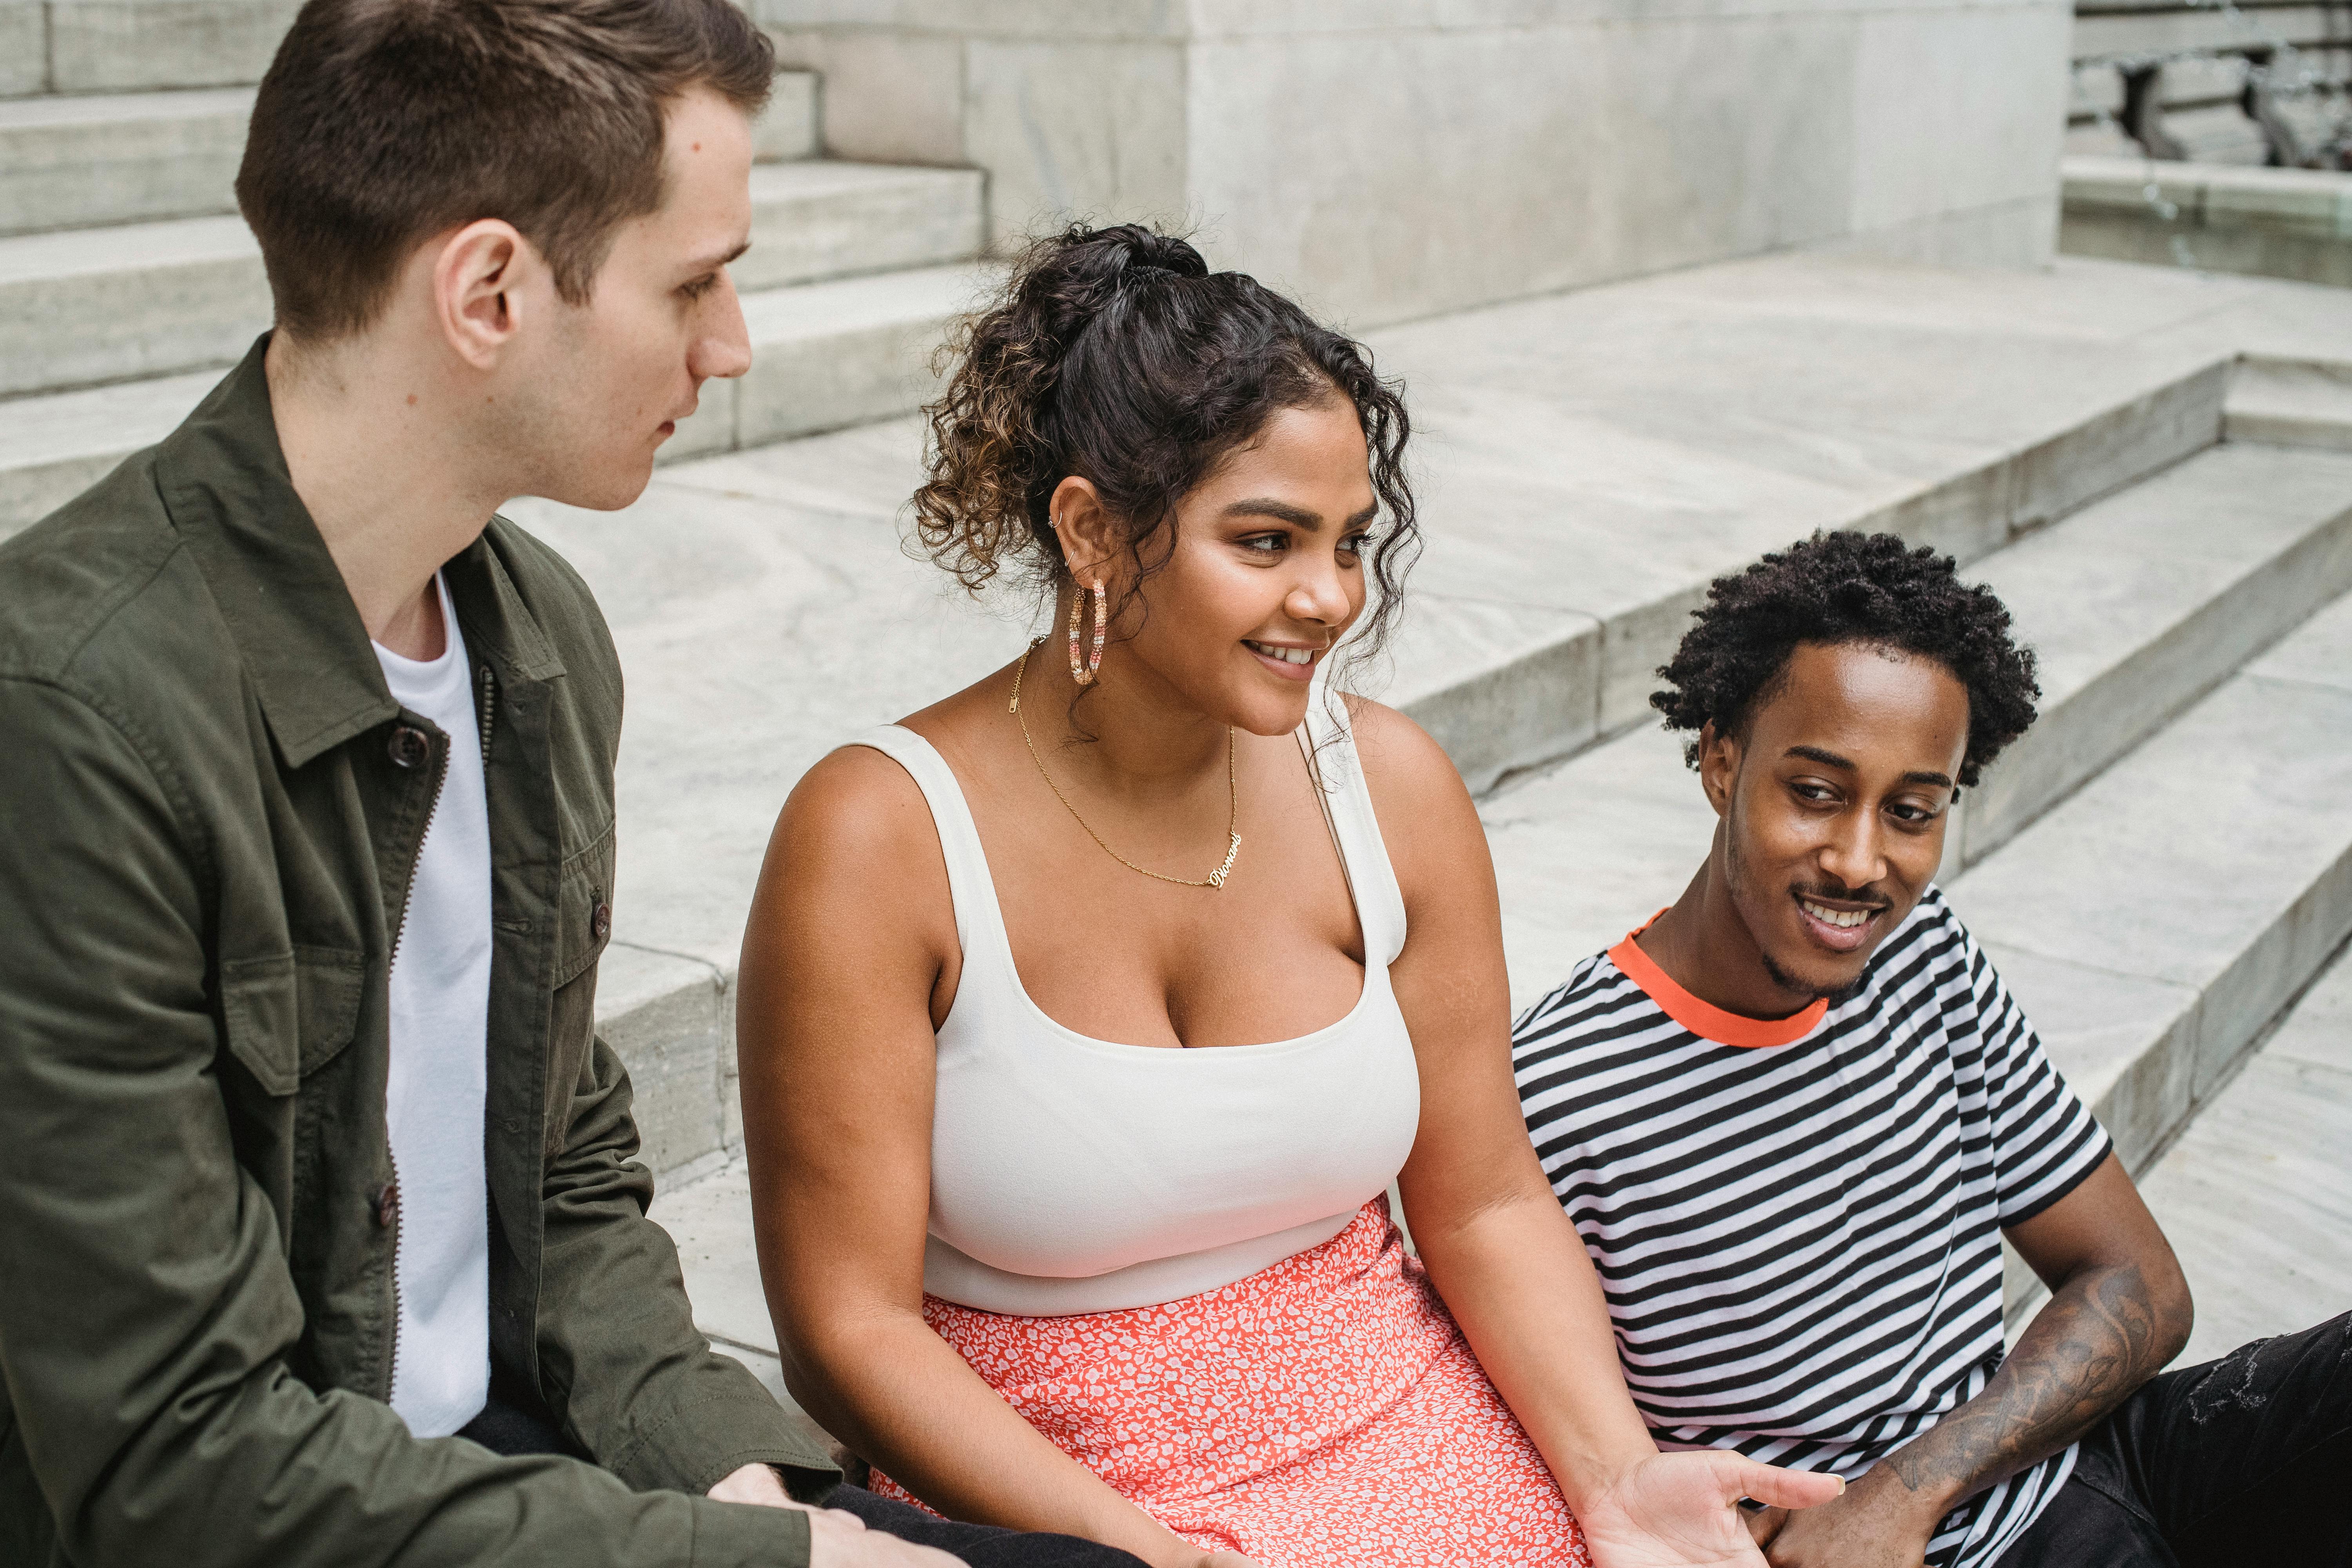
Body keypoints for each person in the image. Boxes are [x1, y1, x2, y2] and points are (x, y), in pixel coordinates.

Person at [0, 3, 1147, 1565]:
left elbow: (565, 1168)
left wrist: (729, 1469)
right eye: (695, 280)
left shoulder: (534, 637)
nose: (731, 343)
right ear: (487, 292)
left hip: (526, 1472)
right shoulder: (76, 719)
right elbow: (175, 1463)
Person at [734, 223, 1842, 1568]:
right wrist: (1143, 1552)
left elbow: (1483, 1199)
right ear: (1090, 529)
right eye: (1266, 542)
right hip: (1052, 1494)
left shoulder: (1389, 784)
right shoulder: (879, 833)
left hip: (1411, 1441)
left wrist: (1615, 1477)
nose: (1328, 599)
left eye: (1350, 543)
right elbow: (848, 1332)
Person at [1509, 531, 2352, 1568]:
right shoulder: (1562, 1095)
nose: (1862, 863)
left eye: (1912, 812)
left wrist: (1906, 1489)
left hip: (2077, 1471)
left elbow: (2139, 1281)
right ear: (1722, 758)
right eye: (1815, 792)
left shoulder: (1925, 956)